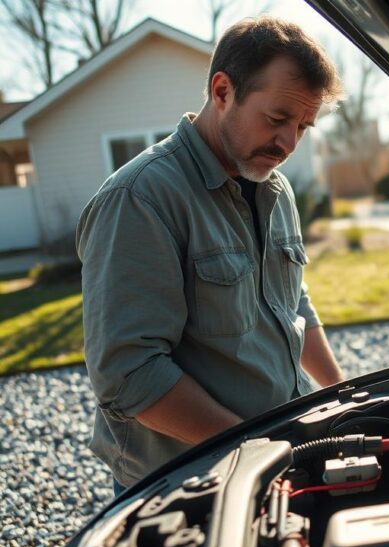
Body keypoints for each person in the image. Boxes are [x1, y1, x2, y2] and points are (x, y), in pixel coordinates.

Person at [76, 16, 345, 493]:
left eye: (303, 126)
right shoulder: (141, 198)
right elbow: (130, 375)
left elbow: (292, 307)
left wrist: (342, 399)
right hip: (187, 484)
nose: (289, 144)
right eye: (278, 119)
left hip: (273, 458)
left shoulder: (273, 188)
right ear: (222, 91)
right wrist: (254, 449)